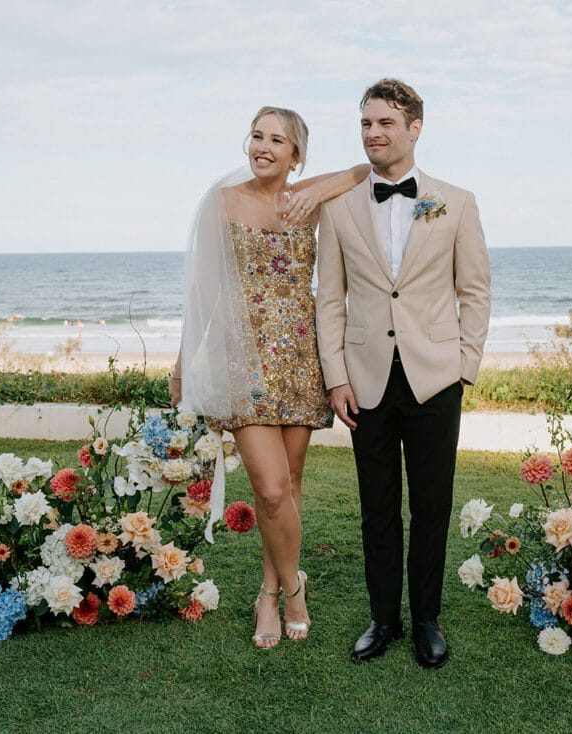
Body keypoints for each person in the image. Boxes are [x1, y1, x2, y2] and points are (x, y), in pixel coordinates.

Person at [170, 106, 367, 649]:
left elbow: (362, 170)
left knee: (291, 485)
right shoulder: (223, 202)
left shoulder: (308, 202)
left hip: (300, 359)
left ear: (295, 155)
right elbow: (205, 292)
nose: (263, 147)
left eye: (278, 140)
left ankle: (271, 589)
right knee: (271, 489)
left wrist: (313, 187)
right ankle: (290, 588)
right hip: (245, 362)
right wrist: (184, 363)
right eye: (257, 136)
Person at [316, 79, 491, 668]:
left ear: (415, 128)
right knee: (378, 506)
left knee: (432, 504)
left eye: (385, 123)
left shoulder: (456, 202)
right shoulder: (338, 208)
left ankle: (426, 621)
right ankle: (383, 619)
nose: (373, 133)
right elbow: (330, 301)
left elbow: (474, 290)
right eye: (366, 123)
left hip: (435, 377)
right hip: (364, 378)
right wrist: (336, 376)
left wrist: (464, 365)